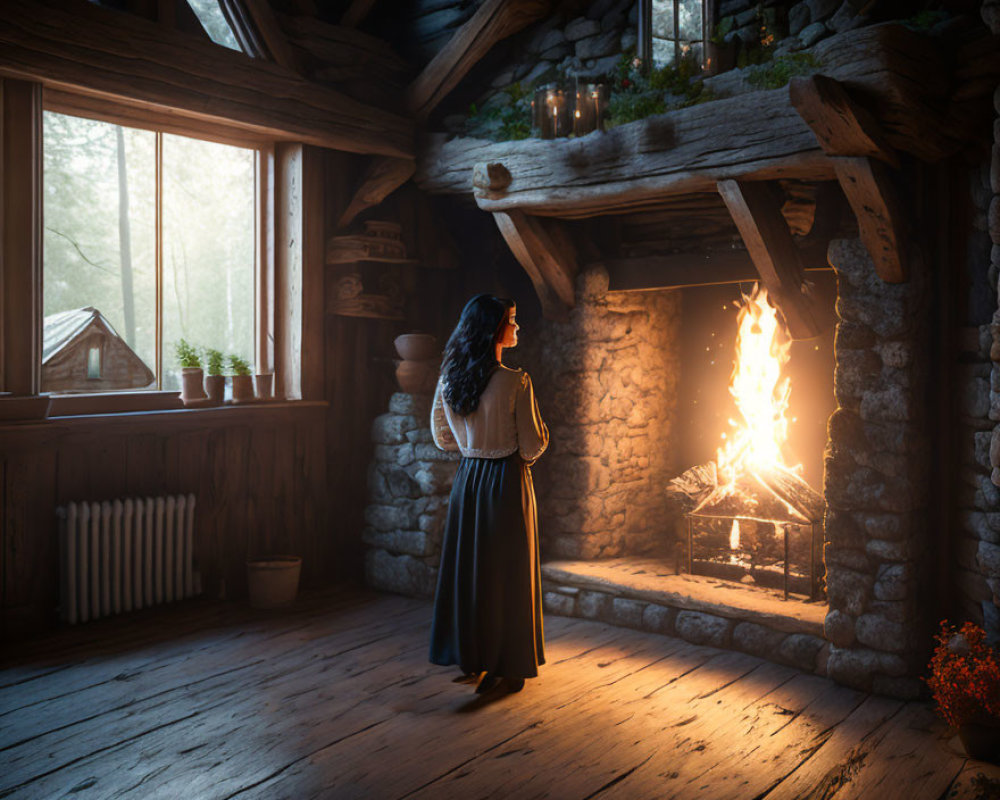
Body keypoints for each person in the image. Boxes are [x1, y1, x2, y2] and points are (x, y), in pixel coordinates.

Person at [429, 294, 549, 694]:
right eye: (512, 321)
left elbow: (443, 438)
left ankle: (473, 657)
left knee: (473, 570)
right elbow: (531, 446)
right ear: (496, 329)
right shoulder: (516, 382)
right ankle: (509, 667)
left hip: (469, 480)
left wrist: (473, 446)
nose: (517, 328)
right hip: (506, 482)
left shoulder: (450, 378)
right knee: (508, 573)